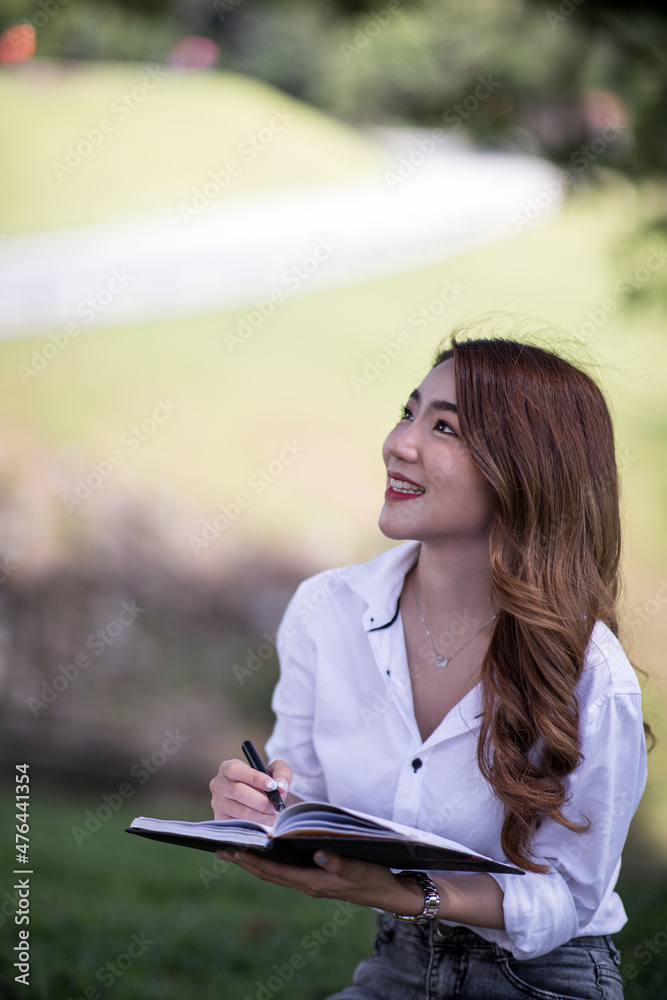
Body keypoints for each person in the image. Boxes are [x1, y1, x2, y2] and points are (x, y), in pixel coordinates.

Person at [210, 335, 650, 1000]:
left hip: (543, 979)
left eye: (443, 427)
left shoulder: (591, 674)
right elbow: (305, 800)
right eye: (407, 413)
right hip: (396, 964)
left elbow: (570, 897)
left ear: (525, 469)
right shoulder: (326, 610)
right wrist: (257, 806)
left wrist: (404, 892)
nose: (398, 443)